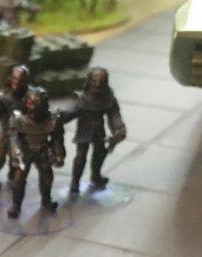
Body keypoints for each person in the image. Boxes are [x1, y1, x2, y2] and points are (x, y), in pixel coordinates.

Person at [61, 67, 126, 195]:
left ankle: (96, 175)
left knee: (100, 154)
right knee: (80, 158)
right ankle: (75, 181)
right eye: (94, 81)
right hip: (84, 131)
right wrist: (59, 117)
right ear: (89, 81)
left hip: (99, 132)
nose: (97, 85)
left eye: (101, 82)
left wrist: (119, 128)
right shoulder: (81, 98)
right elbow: (70, 112)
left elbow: (114, 115)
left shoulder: (108, 97)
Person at [7, 86, 65, 219]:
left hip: (43, 150)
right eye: (29, 102)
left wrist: (58, 154)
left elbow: (57, 139)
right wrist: (17, 153)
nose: (32, 106)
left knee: (47, 177)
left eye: (36, 102)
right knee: (19, 178)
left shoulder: (53, 119)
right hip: (25, 151)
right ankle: (16, 205)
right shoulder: (17, 119)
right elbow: (14, 138)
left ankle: (46, 200)